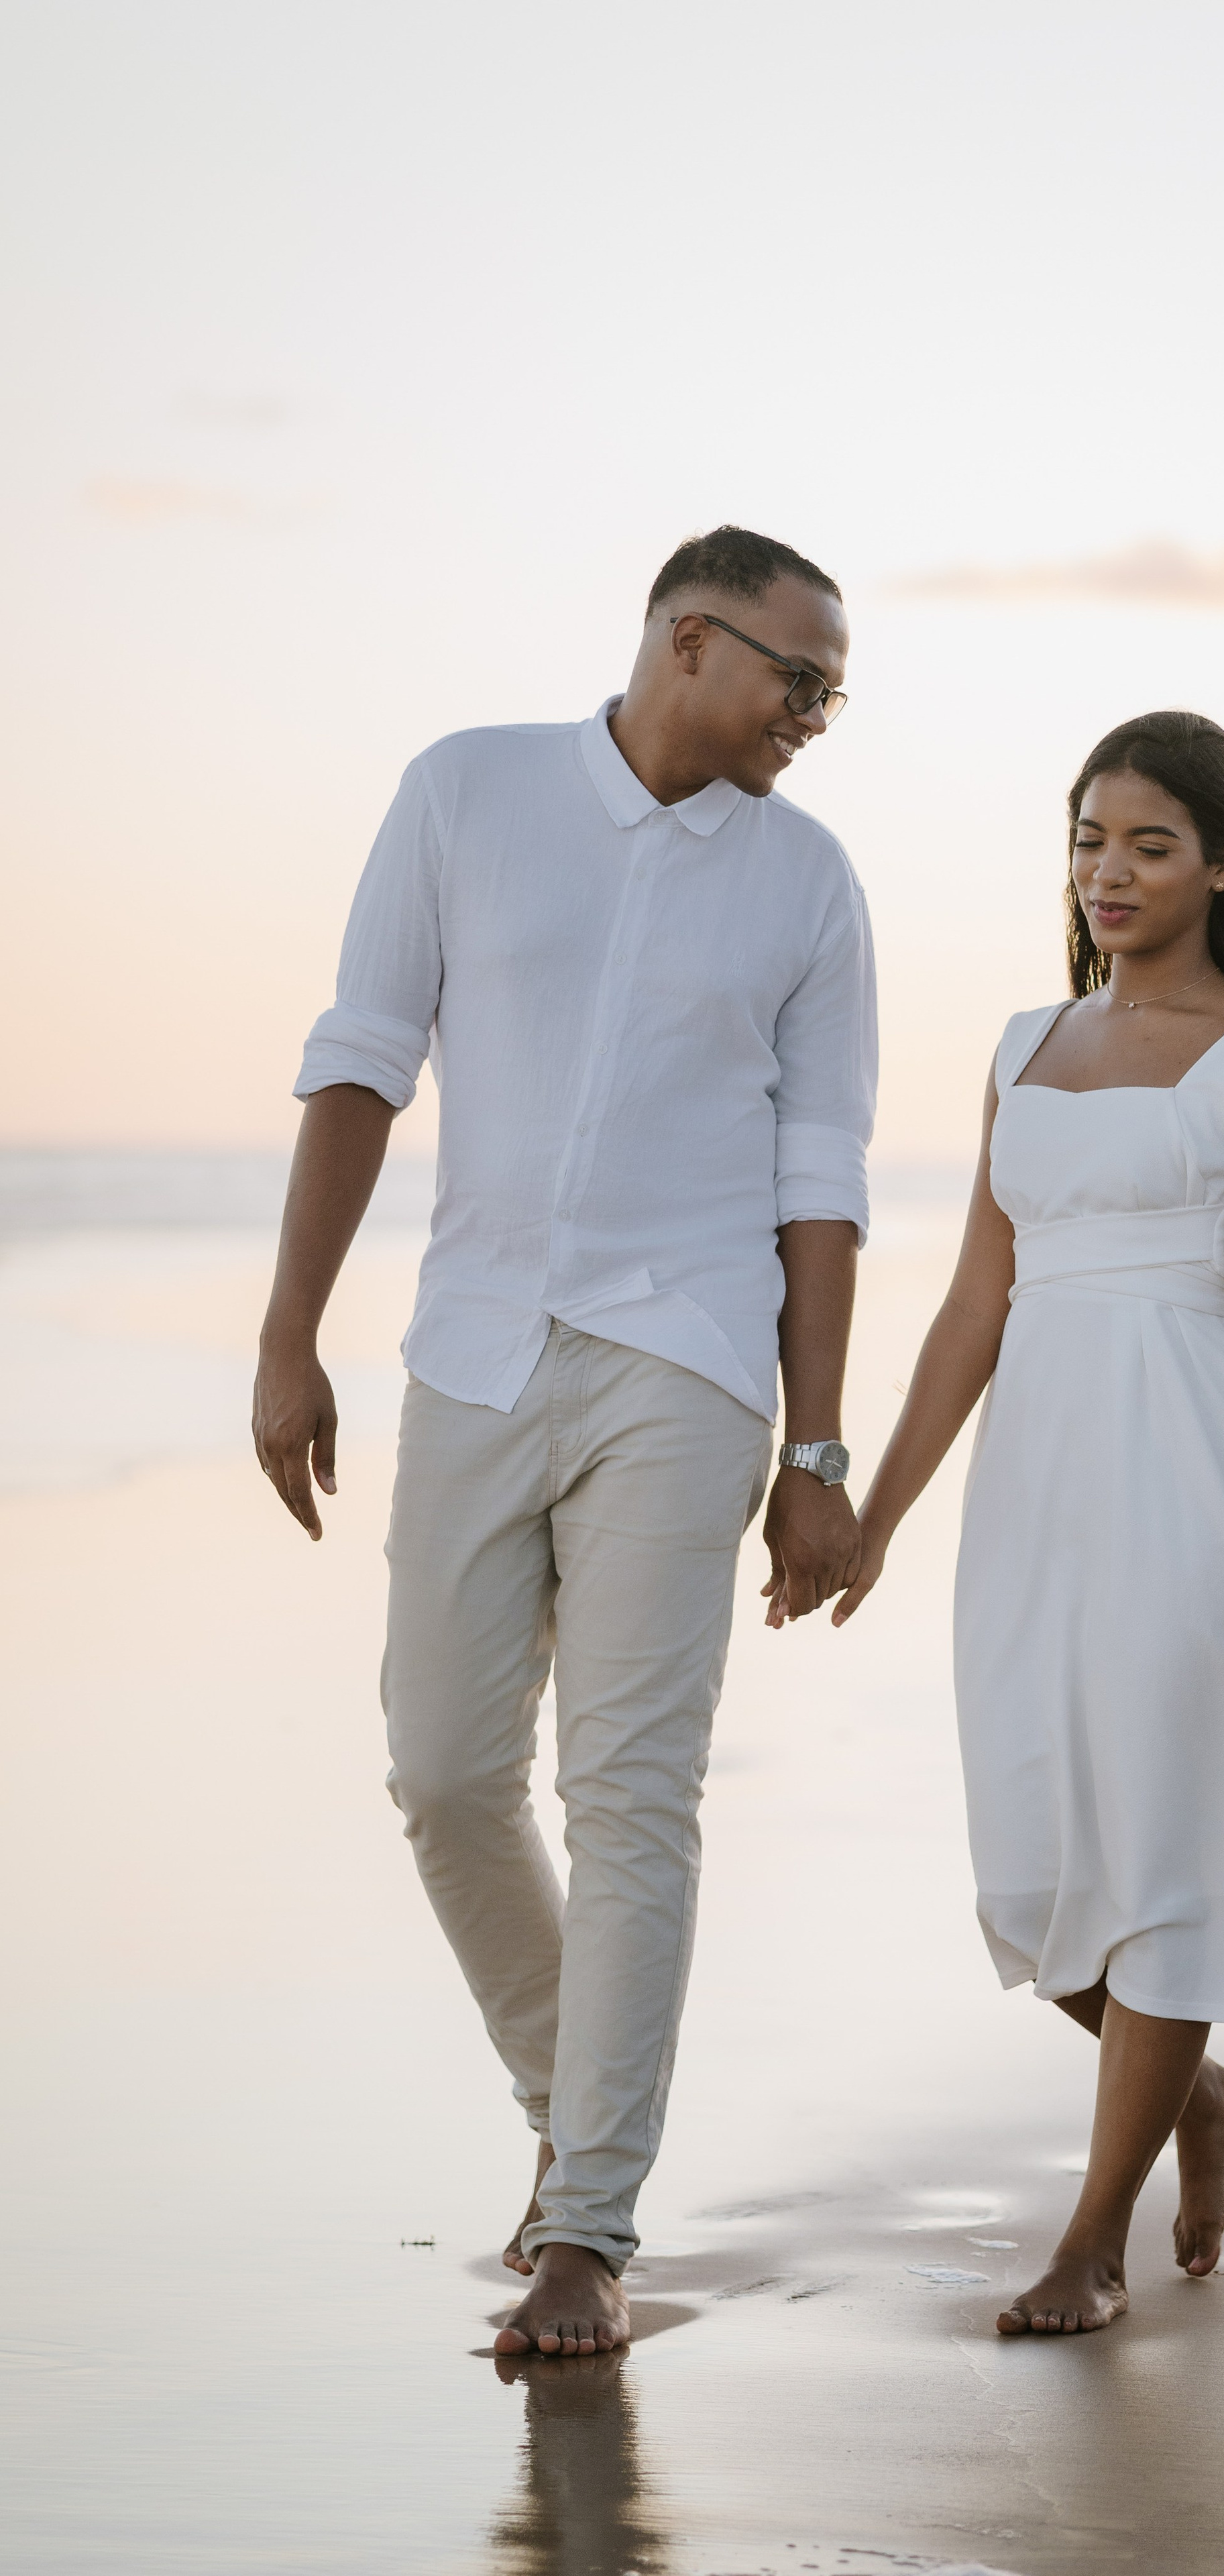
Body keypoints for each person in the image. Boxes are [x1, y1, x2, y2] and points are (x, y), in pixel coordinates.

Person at [252, 526, 876, 2358]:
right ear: (692, 641)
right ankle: (571, 2099)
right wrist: (289, 1334)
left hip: (686, 1362)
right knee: (444, 1775)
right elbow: (363, 1056)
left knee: (631, 1795)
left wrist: (820, 1456)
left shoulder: (810, 882)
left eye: (837, 691)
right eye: (801, 678)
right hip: (470, 1346)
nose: (819, 716)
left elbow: (820, 1182)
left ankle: (588, 2223)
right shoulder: (467, 790)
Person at [832, 710, 1224, 2338]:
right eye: (1088, 842)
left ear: (1221, 860)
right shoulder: (1022, 1048)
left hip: (1195, 1486)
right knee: (1033, 1870)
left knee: (1163, 1840)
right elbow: (966, 1310)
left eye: (1148, 843)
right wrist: (869, 1521)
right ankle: (1201, 2102)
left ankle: (1088, 2238)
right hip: (1038, 1490)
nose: (1109, 873)